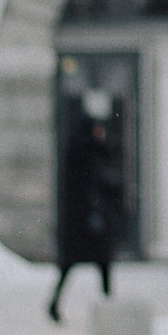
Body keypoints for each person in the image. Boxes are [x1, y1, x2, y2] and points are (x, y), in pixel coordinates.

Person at [45, 94, 124, 322]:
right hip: (88, 219)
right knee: (100, 263)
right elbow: (104, 166)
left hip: (82, 220)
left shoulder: (77, 149)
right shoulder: (84, 151)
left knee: (78, 265)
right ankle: (107, 304)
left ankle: (57, 303)